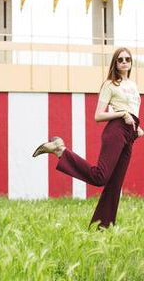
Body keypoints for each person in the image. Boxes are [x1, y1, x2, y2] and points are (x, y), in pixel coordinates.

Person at [32, 47, 142, 229]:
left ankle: (102, 228)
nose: (124, 62)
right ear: (115, 63)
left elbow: (133, 110)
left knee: (115, 185)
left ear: (131, 63)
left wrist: (138, 128)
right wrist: (122, 113)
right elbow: (98, 116)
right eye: (120, 59)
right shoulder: (109, 85)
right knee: (100, 177)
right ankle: (61, 150)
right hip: (116, 130)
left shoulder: (133, 85)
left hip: (130, 133)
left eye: (127, 59)